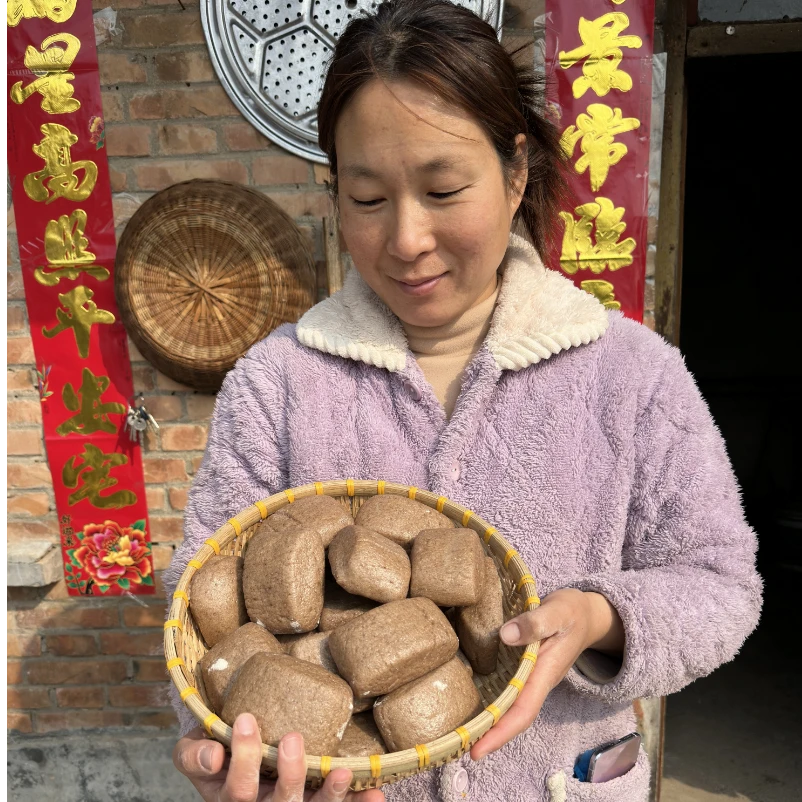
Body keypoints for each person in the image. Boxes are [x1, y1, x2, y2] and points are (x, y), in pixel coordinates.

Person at [166, 1, 763, 800]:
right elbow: (201, 614)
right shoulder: (276, 385)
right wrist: (222, 745)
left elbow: (724, 584)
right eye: (369, 199)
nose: (407, 238)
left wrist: (600, 615)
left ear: (516, 172)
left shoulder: (631, 376)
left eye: (444, 189)